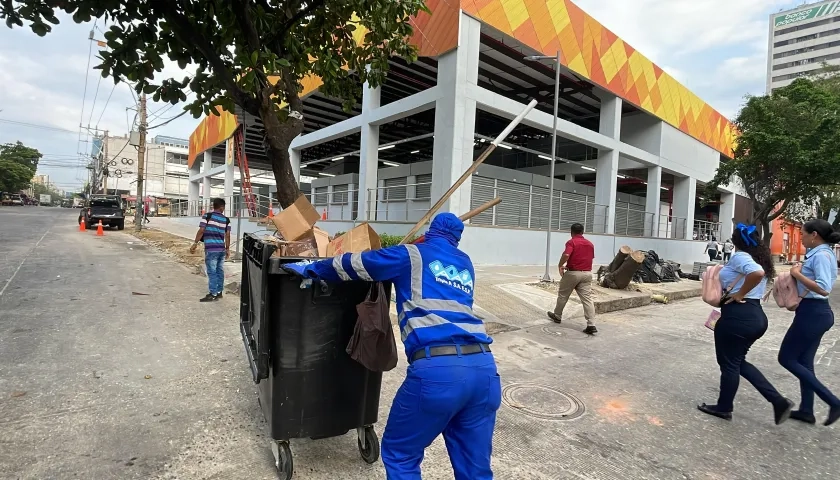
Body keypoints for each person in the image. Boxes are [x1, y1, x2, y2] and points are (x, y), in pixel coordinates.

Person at [283, 213, 499, 479]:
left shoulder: (412, 255)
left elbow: (358, 264)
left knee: (401, 453)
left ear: (431, 232)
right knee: (474, 468)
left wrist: (312, 268)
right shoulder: (465, 264)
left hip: (439, 372)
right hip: (485, 372)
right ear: (456, 239)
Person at [698, 223, 794, 423]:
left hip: (737, 317)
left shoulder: (741, 256)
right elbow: (758, 274)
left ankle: (724, 407)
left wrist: (739, 293)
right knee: (737, 362)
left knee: (729, 364)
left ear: (735, 240)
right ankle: (778, 401)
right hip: (755, 317)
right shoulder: (758, 257)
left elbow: (756, 273)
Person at [779, 219, 840, 426]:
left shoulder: (822, 255)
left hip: (814, 313)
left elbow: (823, 288)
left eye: (804, 234)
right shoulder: (821, 253)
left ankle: (833, 402)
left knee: (786, 358)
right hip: (812, 312)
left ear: (814, 235)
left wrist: (796, 274)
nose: (802, 238)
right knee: (804, 363)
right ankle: (807, 410)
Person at [546, 223, 597, 335]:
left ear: (571, 232)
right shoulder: (590, 244)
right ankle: (591, 324)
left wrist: (560, 265)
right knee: (587, 299)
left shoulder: (572, 242)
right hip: (587, 274)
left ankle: (557, 316)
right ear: (583, 232)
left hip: (573, 273)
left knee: (563, 295)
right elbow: (589, 258)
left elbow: (567, 255)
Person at [189, 198, 231, 302]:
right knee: (219, 270)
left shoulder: (207, 216)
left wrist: (195, 243)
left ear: (214, 206)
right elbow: (228, 235)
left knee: (212, 272)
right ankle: (219, 292)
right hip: (221, 249)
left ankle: (213, 294)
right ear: (221, 207)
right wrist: (227, 249)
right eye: (223, 207)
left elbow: (201, 230)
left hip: (211, 249)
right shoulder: (226, 220)